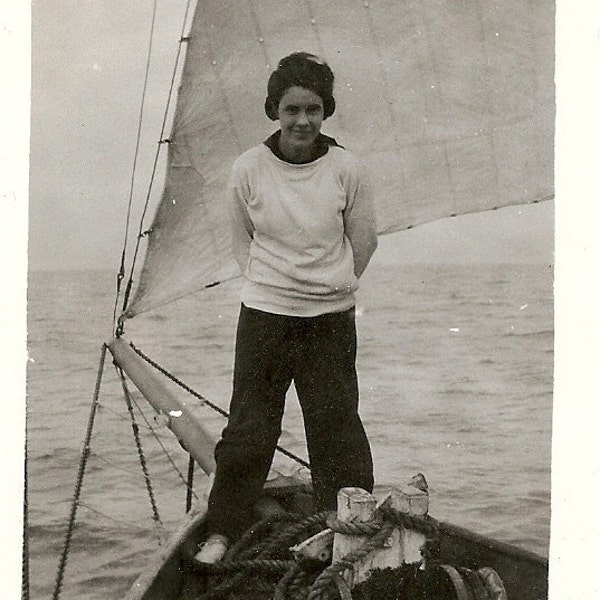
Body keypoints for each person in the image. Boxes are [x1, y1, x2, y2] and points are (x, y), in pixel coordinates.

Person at [195, 52, 378, 564]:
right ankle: (222, 531)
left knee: (337, 425)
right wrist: (276, 288)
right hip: (265, 317)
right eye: (292, 108)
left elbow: (364, 242)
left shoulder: (347, 169)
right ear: (274, 109)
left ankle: (348, 527)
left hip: (330, 319)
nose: (303, 120)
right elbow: (241, 240)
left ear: (326, 112)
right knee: (250, 429)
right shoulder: (248, 168)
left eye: (314, 109)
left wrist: (329, 288)